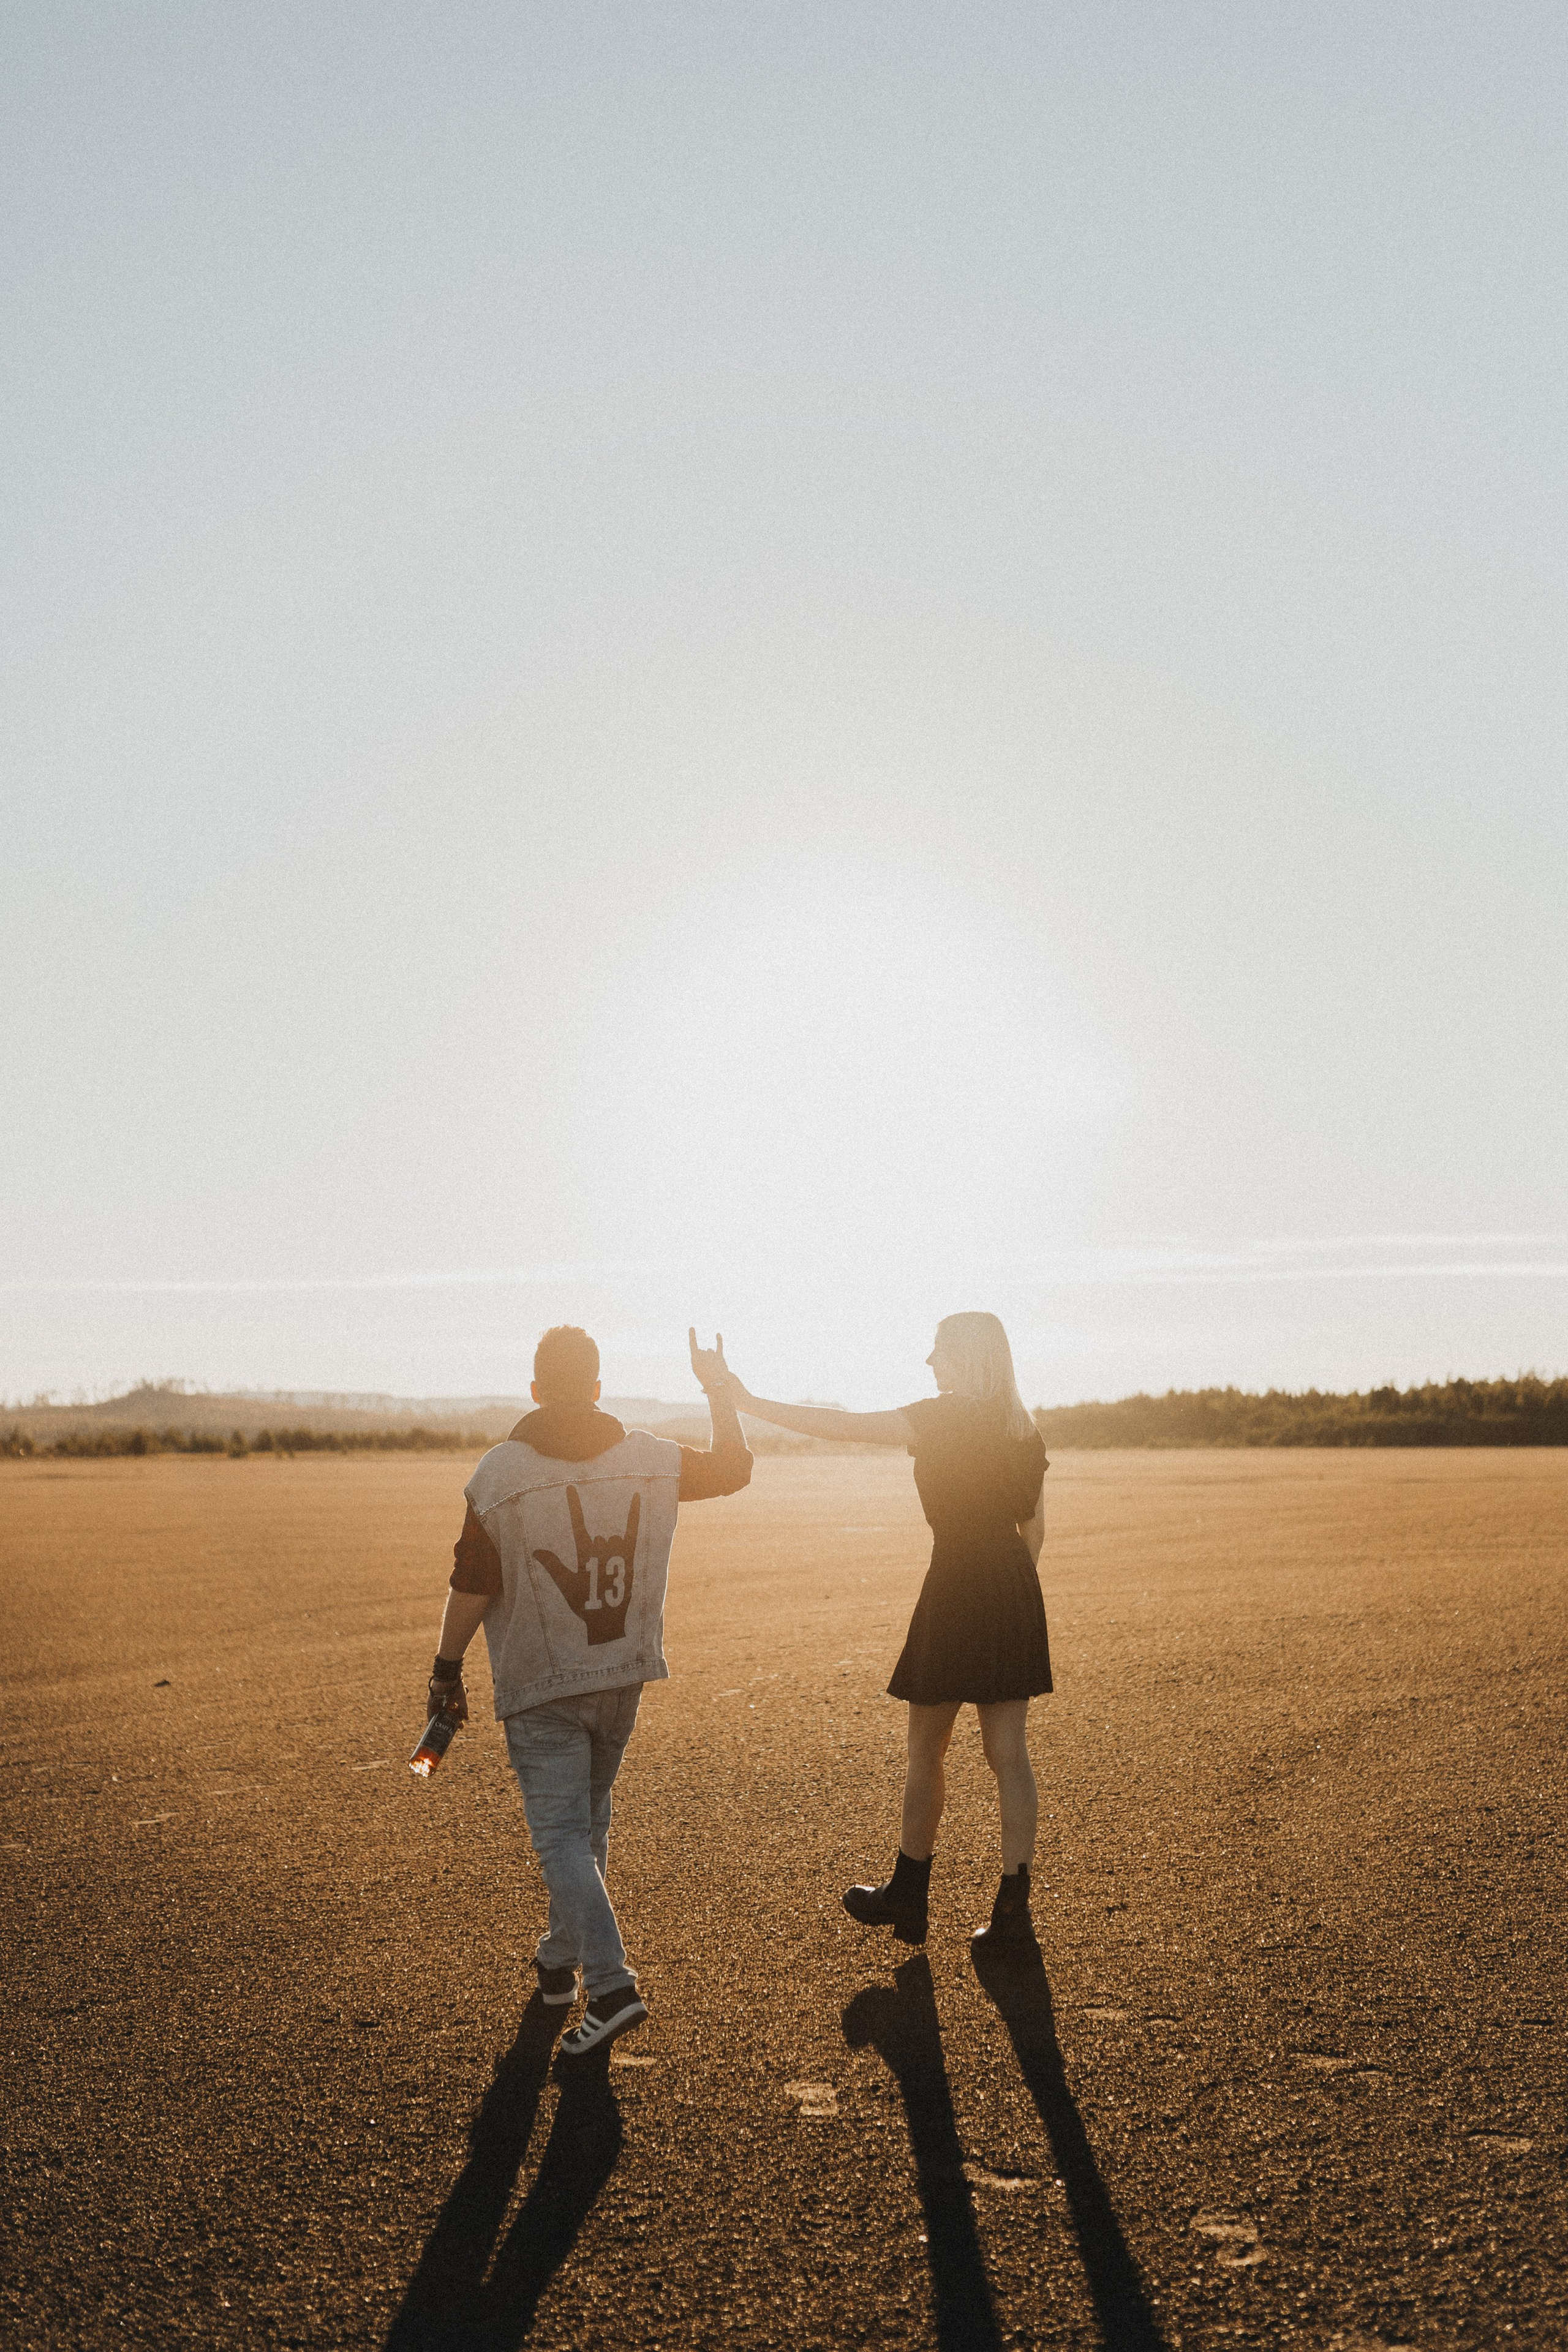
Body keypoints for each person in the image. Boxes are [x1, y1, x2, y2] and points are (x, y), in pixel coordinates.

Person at [423, 1324, 751, 2054]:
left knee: (563, 1838)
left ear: (535, 1390)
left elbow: (472, 1586)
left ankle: (611, 1987)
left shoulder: (500, 1473)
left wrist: (445, 1671)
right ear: (598, 1389)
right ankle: (557, 1965)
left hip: (541, 1685)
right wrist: (716, 1389)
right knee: (588, 1830)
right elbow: (734, 1467)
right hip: (622, 1675)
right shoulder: (649, 1458)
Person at [712, 1311, 1049, 1956]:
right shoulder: (1023, 1431)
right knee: (1008, 1756)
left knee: (927, 1749)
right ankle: (1012, 1911)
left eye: (939, 1351)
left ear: (967, 1358)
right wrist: (1007, 1599)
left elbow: (841, 1425)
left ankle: (909, 1894)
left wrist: (747, 1400)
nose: (929, 1362)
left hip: (955, 1586)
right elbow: (1033, 1533)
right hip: (1011, 1589)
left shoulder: (940, 1416)